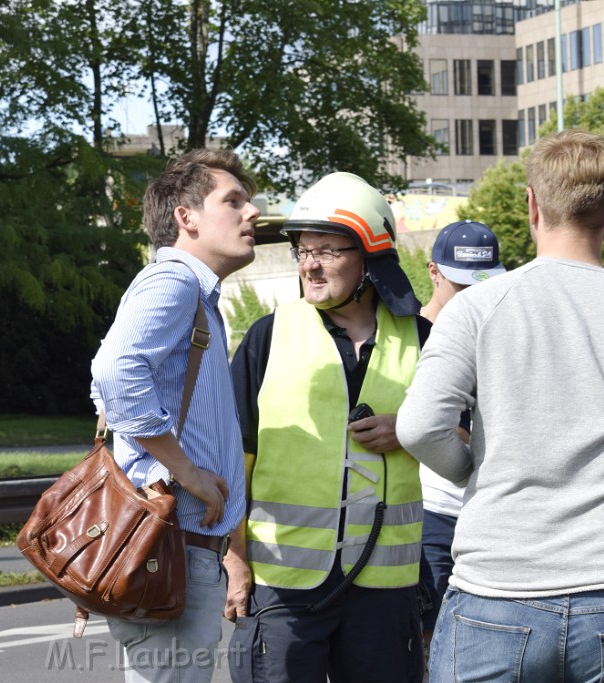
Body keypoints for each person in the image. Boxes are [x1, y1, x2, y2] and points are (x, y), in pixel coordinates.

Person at [397, 129, 604, 682]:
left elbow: (419, 426)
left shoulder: (479, 308)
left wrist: (474, 473)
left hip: (499, 584)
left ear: (532, 206)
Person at [226, 171, 430, 683]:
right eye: (302, 251)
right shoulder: (268, 337)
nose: (310, 265)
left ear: (372, 255)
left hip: (385, 589)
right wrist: (235, 562)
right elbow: (231, 459)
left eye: (328, 251)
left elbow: (476, 442)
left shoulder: (426, 341)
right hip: (282, 586)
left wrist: (410, 430)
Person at [90, 148, 259, 682]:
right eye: (233, 201)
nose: (252, 212)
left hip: (184, 553)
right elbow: (115, 372)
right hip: (170, 553)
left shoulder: (198, 295)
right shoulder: (175, 282)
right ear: (186, 218)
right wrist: (185, 473)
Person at [417, 220, 505, 644]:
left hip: (491, 517)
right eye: (462, 285)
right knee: (429, 643)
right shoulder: (406, 338)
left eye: (482, 284)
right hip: (429, 513)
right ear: (433, 272)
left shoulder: (501, 335)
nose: (475, 296)